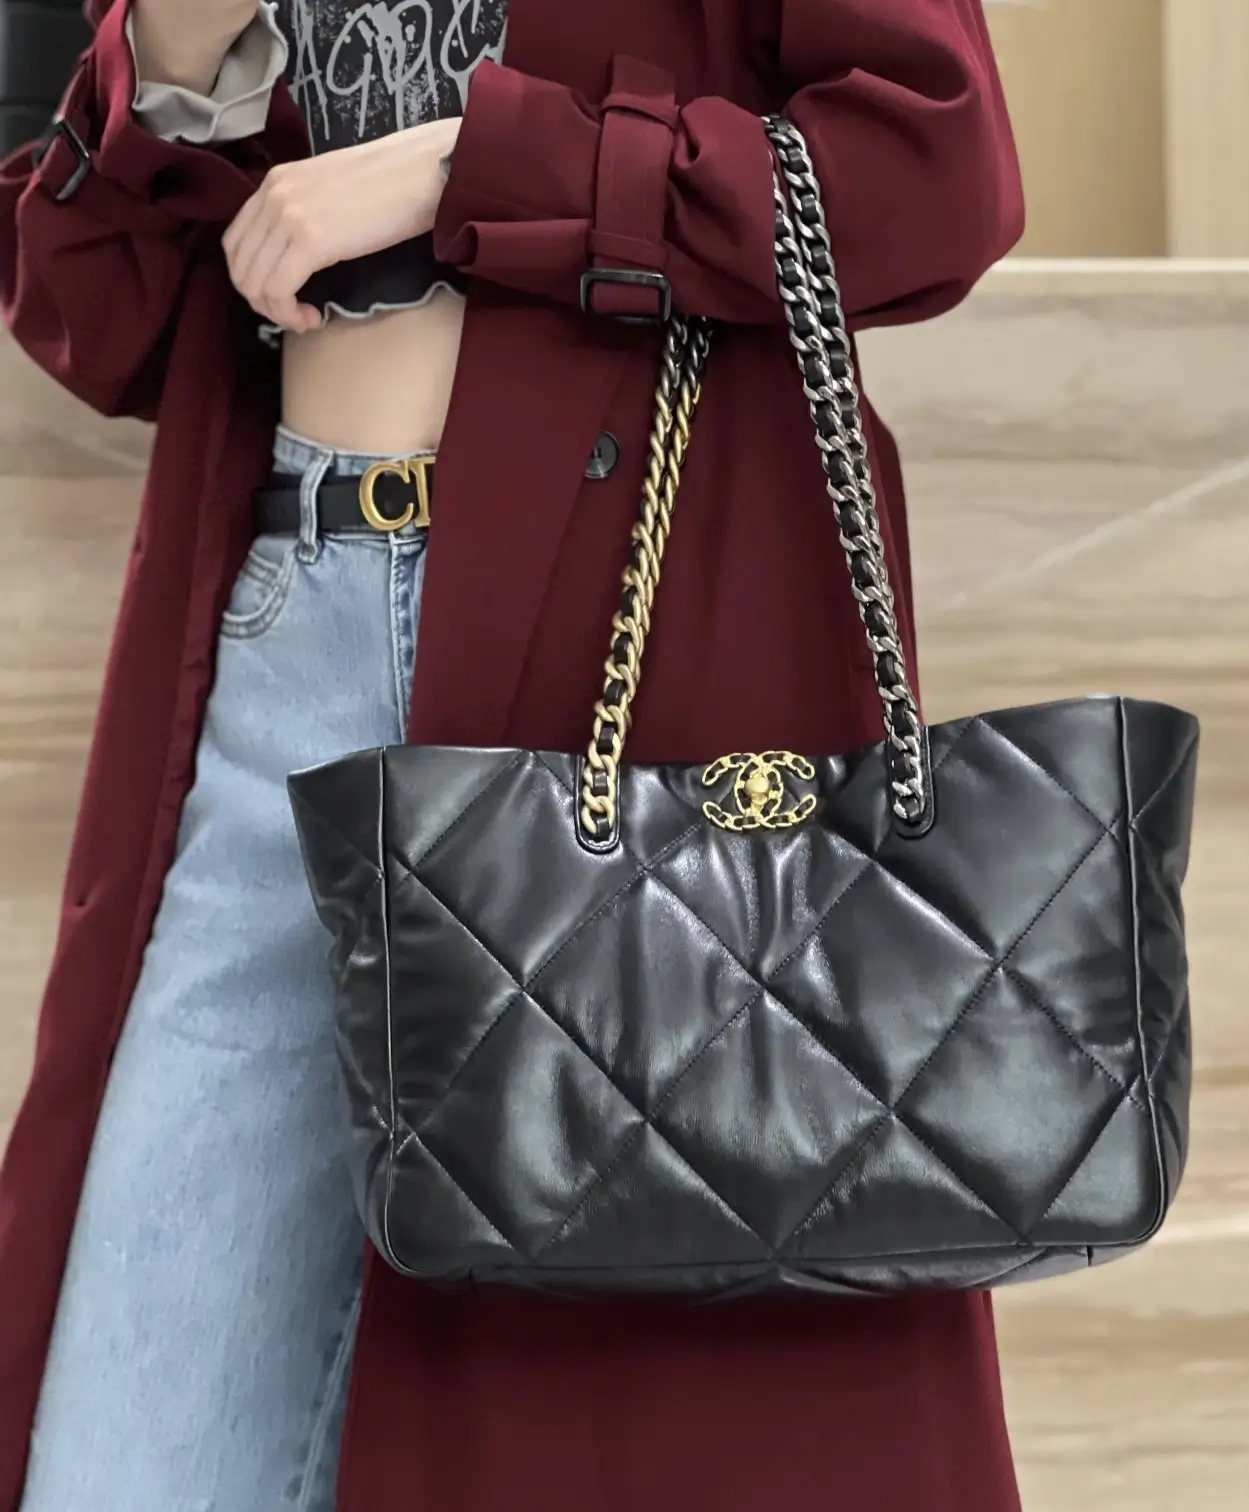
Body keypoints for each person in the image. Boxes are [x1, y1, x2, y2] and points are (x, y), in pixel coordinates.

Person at [0, 0, 1027, 1507]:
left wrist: (472, 167)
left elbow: (933, 172)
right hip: (287, 627)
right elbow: (99, 311)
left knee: (594, 1418)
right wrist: (177, 59)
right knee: (129, 1454)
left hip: (628, 647)